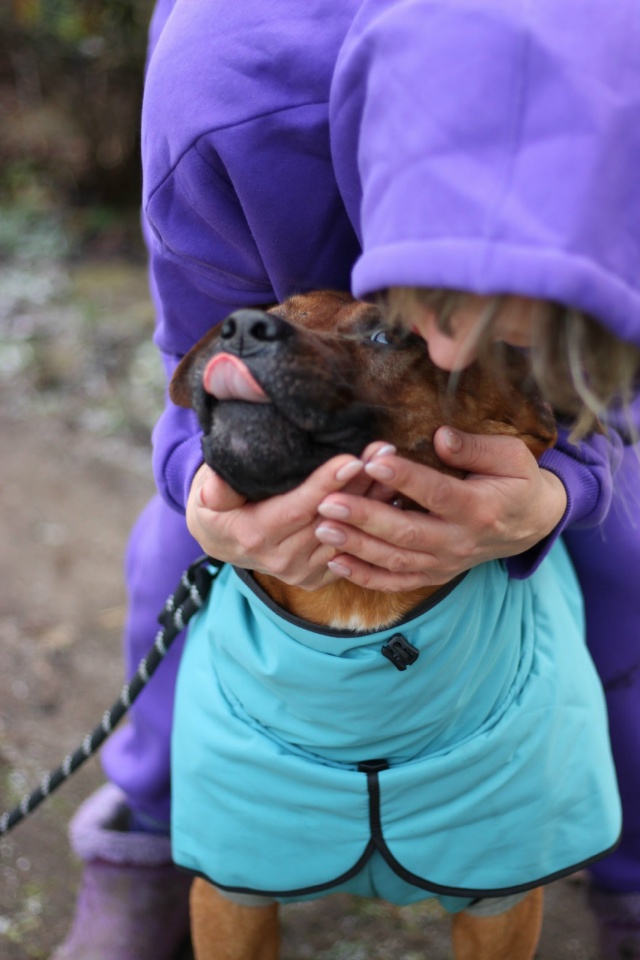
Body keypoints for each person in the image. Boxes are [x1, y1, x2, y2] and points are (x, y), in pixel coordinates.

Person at [52, 1, 640, 959]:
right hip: (279, 239)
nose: (449, 346)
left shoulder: (624, 115)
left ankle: (626, 871)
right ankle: (151, 840)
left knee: (624, 557)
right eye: (441, 308)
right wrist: (206, 495)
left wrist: (554, 493)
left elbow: (611, 402)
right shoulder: (221, 114)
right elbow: (191, 369)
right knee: (169, 555)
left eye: (504, 332)